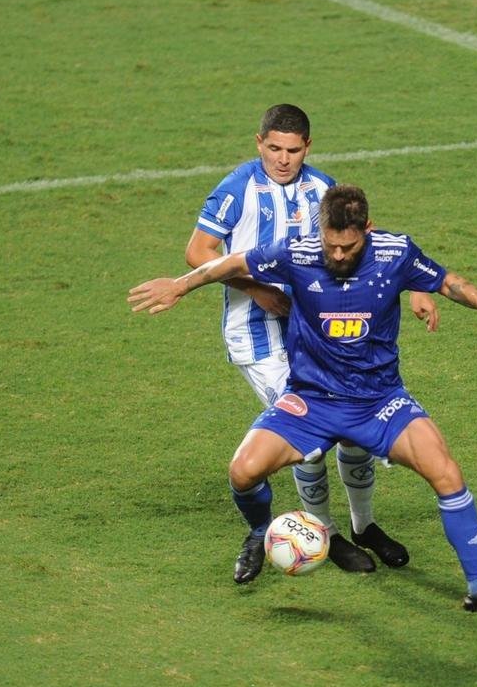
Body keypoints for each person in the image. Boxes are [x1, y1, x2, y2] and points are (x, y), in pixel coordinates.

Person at [130, 185, 477, 618]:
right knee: (243, 471)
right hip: (311, 401)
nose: (335, 255)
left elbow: (446, 281)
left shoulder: (396, 252)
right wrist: (180, 286)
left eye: (347, 247)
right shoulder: (297, 252)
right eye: (330, 245)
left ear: (367, 230)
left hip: (379, 401)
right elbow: (233, 262)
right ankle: (261, 531)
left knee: (446, 472)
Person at [185, 104, 437, 583]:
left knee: (356, 427)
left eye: (293, 150)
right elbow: (198, 252)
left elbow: (367, 238)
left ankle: (364, 526)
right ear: (258, 143)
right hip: (257, 336)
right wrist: (257, 290)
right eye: (274, 149)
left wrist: (419, 286)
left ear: (308, 148)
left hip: (315, 331)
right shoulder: (238, 189)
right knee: (310, 442)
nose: (283, 159)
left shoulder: (321, 187)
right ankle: (324, 531)